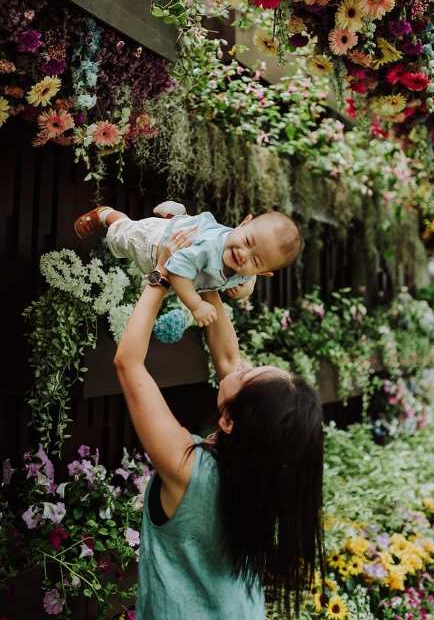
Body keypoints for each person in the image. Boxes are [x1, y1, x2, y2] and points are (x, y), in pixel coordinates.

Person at [113, 226, 325, 619]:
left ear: (228, 421)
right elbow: (228, 362)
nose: (243, 364)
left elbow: (128, 364)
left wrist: (161, 274)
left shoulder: (186, 468)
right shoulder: (270, 479)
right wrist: (207, 276)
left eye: (250, 372)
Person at [75, 203, 302, 327]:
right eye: (247, 241)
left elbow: (250, 277)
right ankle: (109, 215)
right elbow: (175, 271)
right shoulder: (210, 247)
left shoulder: (246, 270)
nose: (243, 255)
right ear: (244, 223)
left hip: (178, 246)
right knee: (122, 239)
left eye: (255, 261)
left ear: (263, 271)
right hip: (154, 243)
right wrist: (196, 305)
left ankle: (176, 216)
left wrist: (246, 289)